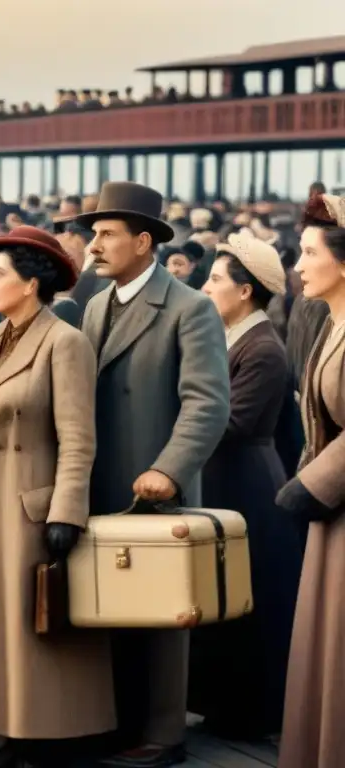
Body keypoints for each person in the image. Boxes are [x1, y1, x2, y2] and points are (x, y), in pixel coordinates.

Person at [0, 226, 115, 767]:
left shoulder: (66, 342)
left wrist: (66, 510)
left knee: (30, 627)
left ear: (32, 284)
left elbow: (79, 437)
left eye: (0, 276)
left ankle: (39, 736)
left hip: (29, 506)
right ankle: (7, 727)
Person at [77, 182, 230, 768]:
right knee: (110, 607)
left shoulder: (191, 309)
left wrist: (169, 469)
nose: (94, 244)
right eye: (94, 234)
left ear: (143, 242)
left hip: (156, 491)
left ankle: (164, 735)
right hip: (101, 483)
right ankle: (116, 723)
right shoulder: (94, 304)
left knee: (164, 615)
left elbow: (207, 404)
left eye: (107, 233)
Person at [189, 233, 302, 740]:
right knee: (224, 597)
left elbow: (233, 423)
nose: (206, 287)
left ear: (245, 292)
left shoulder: (264, 349)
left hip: (250, 486)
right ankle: (221, 705)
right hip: (226, 480)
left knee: (250, 598)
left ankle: (252, 712)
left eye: (215, 279)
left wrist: (182, 415)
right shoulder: (232, 339)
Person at [276, 192, 345, 768]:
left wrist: (313, 481)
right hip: (333, 509)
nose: (297, 265)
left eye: (307, 252)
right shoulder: (331, 321)